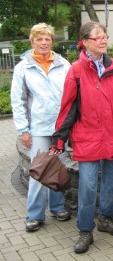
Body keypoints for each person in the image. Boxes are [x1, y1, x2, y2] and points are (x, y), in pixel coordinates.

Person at [51, 22, 113, 254]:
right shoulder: (77, 71)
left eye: (105, 36)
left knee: (112, 182)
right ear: (85, 41)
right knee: (88, 186)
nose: (103, 40)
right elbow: (68, 107)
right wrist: (59, 138)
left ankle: (107, 219)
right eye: (97, 37)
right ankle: (85, 229)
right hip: (88, 137)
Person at [10, 23, 71, 232]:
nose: (44, 43)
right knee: (38, 171)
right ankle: (34, 215)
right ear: (32, 41)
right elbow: (18, 101)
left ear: (52, 42)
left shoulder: (64, 64)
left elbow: (72, 95)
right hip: (39, 128)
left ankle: (57, 207)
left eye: (47, 39)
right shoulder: (23, 68)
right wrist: (23, 130)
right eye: (39, 39)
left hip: (61, 128)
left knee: (58, 167)